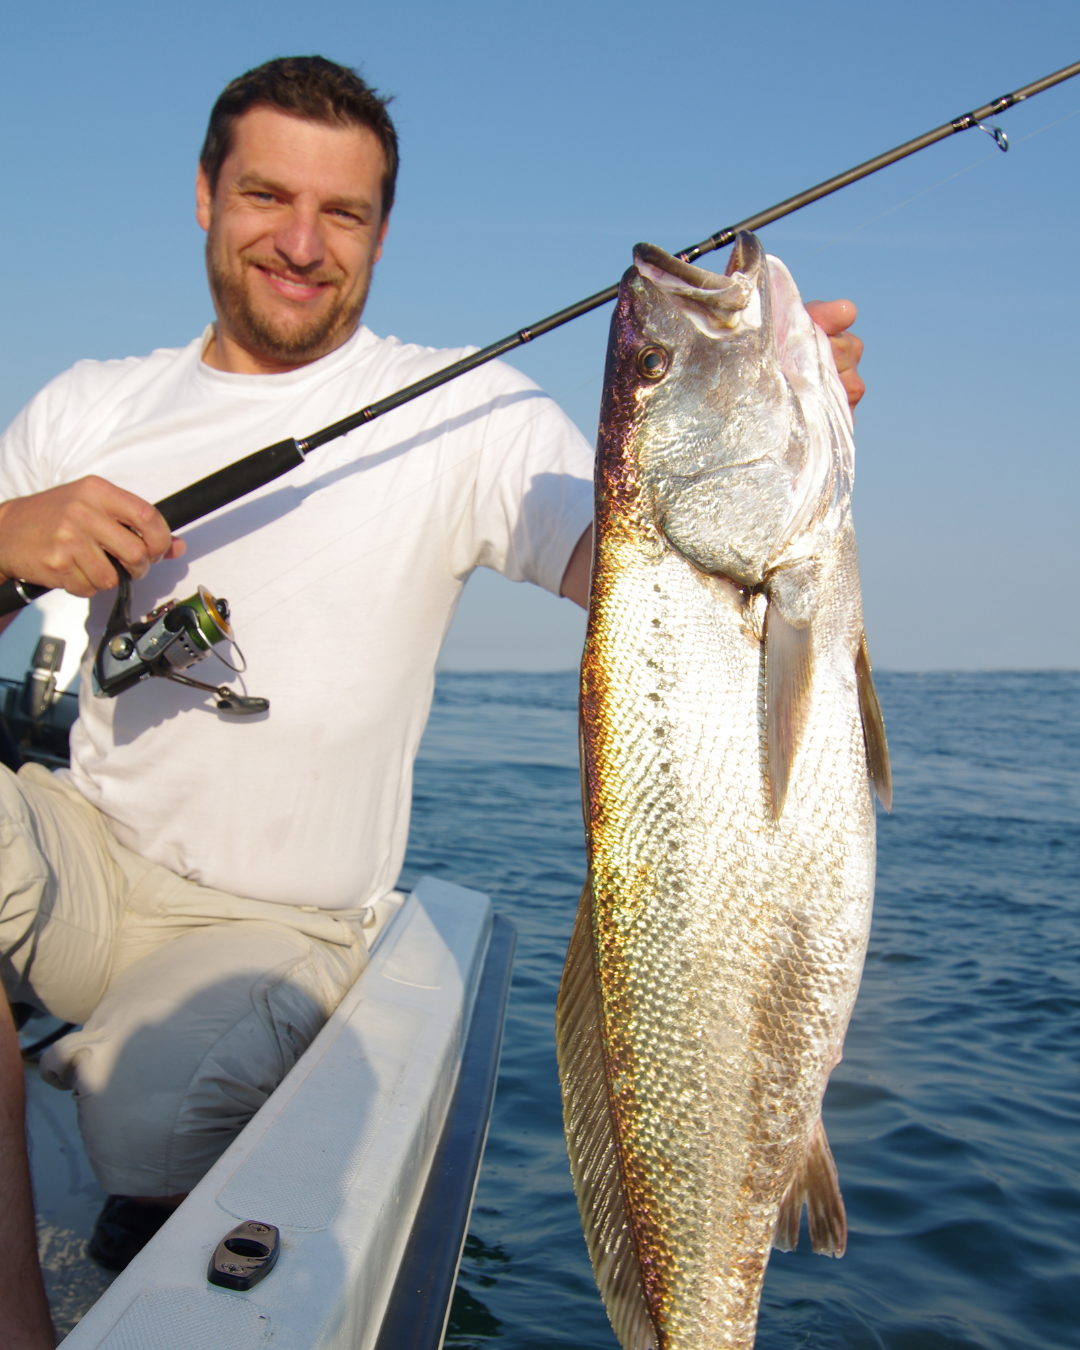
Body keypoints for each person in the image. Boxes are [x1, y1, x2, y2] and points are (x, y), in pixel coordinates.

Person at [0, 56, 865, 1278]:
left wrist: (766, 438)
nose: (301, 242)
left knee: (139, 1129)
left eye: (341, 212)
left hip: (280, 921)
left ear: (382, 232)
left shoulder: (464, 413)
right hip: (82, 857)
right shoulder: (83, 407)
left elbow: (649, 567)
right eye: (265, 198)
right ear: (204, 194)